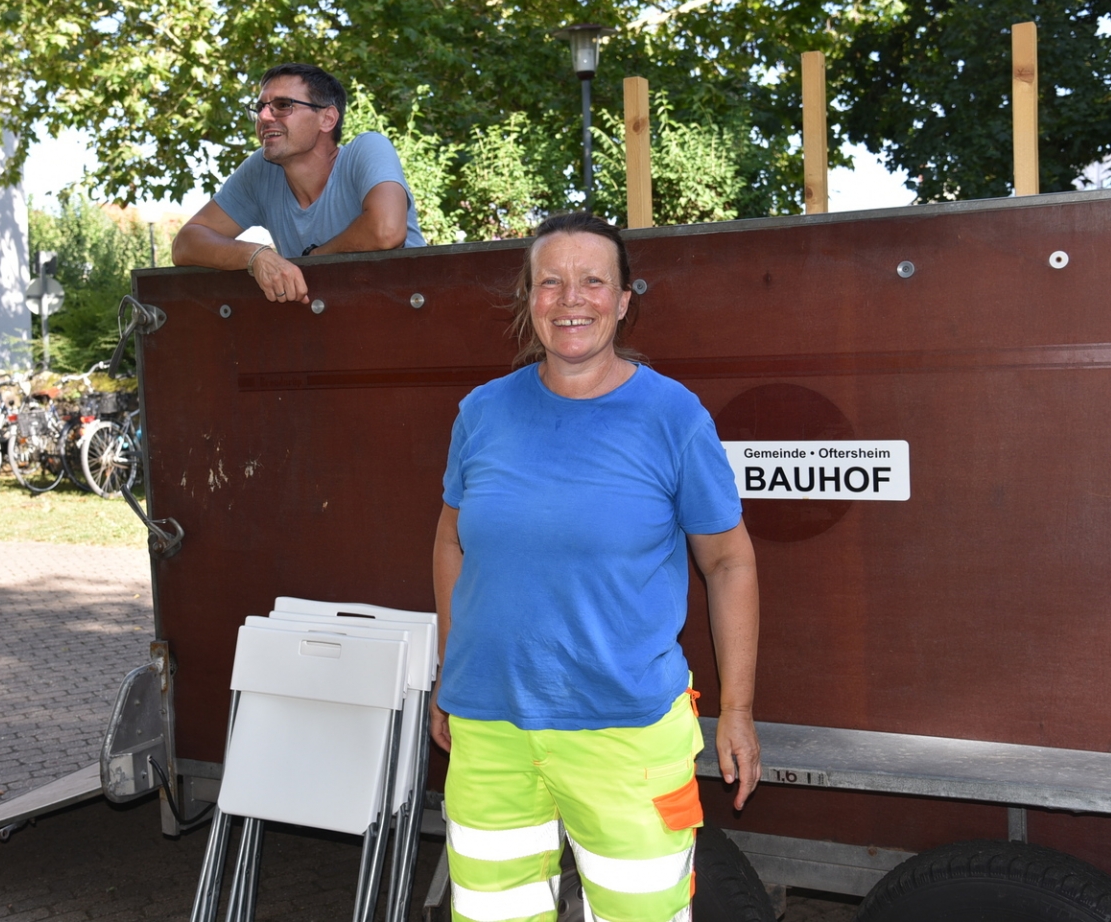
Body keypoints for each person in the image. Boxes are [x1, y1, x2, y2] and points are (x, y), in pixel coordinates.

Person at [430, 211, 761, 922]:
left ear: (621, 299)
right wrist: (447, 672)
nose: (569, 299)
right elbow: (451, 542)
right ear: (527, 299)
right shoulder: (481, 413)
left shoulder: (672, 416)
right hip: (489, 729)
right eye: (549, 282)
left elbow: (729, 560)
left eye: (591, 282)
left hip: (625, 731)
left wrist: (736, 711)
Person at [171, 63, 427, 304]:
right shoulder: (261, 171)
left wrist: (313, 259)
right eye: (260, 107)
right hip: (328, 332)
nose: (264, 116)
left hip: (410, 319)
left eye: (283, 105)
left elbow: (386, 231)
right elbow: (185, 244)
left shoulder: (367, 148)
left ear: (327, 119)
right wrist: (256, 256)